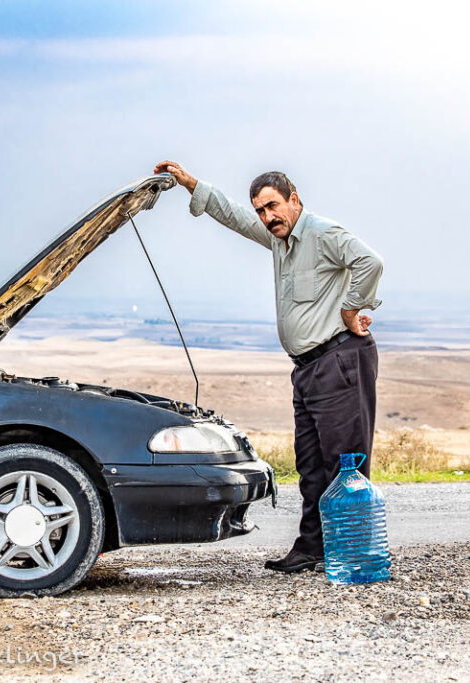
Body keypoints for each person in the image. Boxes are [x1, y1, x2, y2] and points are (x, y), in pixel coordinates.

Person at [154, 160, 384, 573]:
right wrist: (191, 183)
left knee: (346, 463)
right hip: (309, 368)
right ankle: (313, 548)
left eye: (273, 206)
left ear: (294, 200)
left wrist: (351, 309)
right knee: (311, 465)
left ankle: (353, 555)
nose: (267, 217)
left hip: (340, 359)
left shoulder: (322, 233)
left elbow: (371, 262)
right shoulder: (280, 238)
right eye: (262, 210)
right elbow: (234, 217)